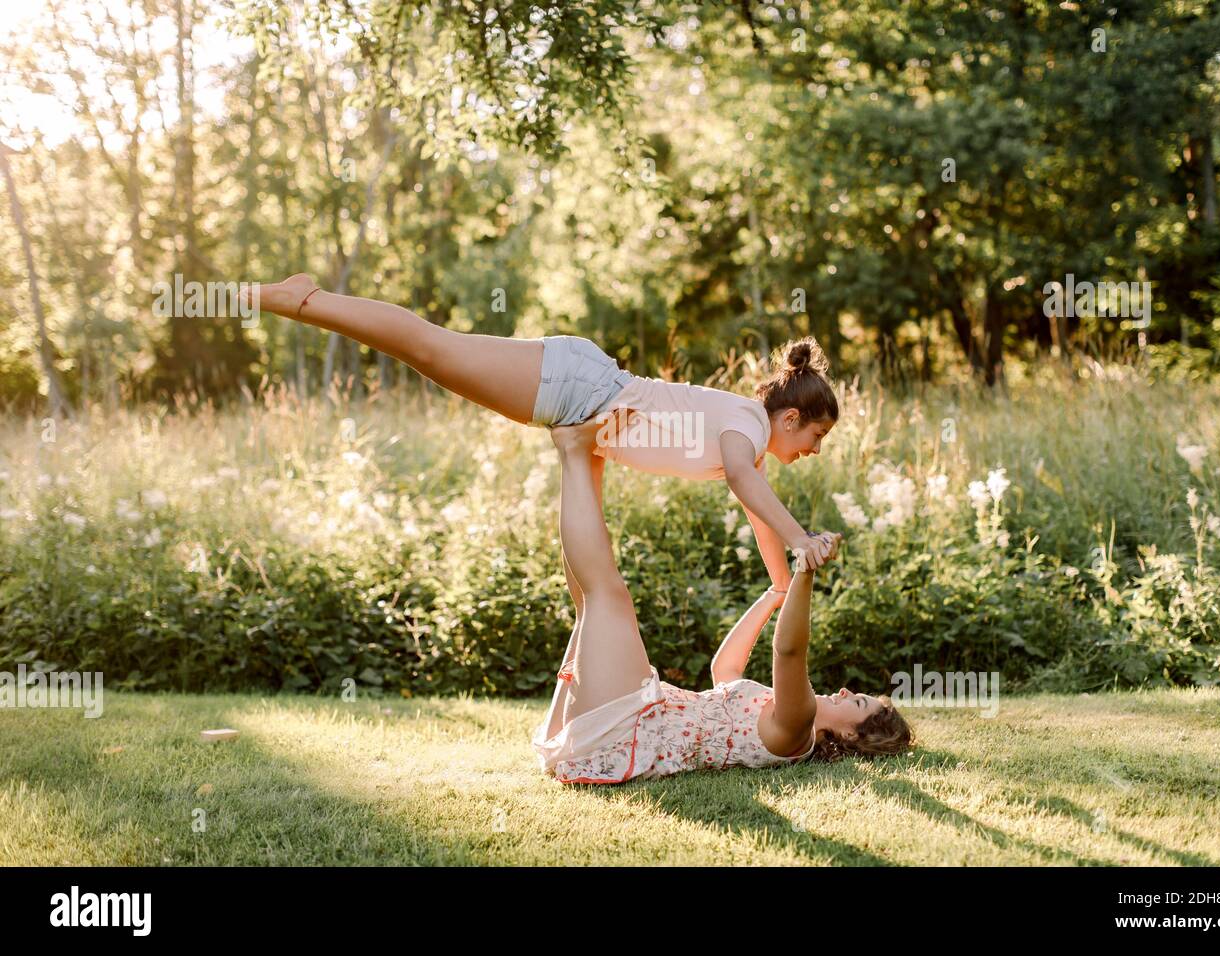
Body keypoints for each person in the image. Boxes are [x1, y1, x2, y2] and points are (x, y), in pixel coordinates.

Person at [245, 274, 842, 593]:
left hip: (587, 416)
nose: (813, 452)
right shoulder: (743, 427)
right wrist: (802, 538)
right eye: (815, 437)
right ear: (789, 418)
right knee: (430, 347)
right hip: (580, 388)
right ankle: (305, 299)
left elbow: (761, 515)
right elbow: (745, 485)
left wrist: (784, 584)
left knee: (430, 355)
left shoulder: (749, 447)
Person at [532, 414, 914, 785]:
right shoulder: (777, 713)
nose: (846, 691)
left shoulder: (798, 729)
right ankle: (582, 454)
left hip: (625, 734)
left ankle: (575, 451)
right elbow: (724, 671)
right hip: (617, 725)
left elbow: (789, 652)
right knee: (590, 604)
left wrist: (805, 569)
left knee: (607, 597)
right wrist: (774, 594)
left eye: (858, 703)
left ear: (851, 737)